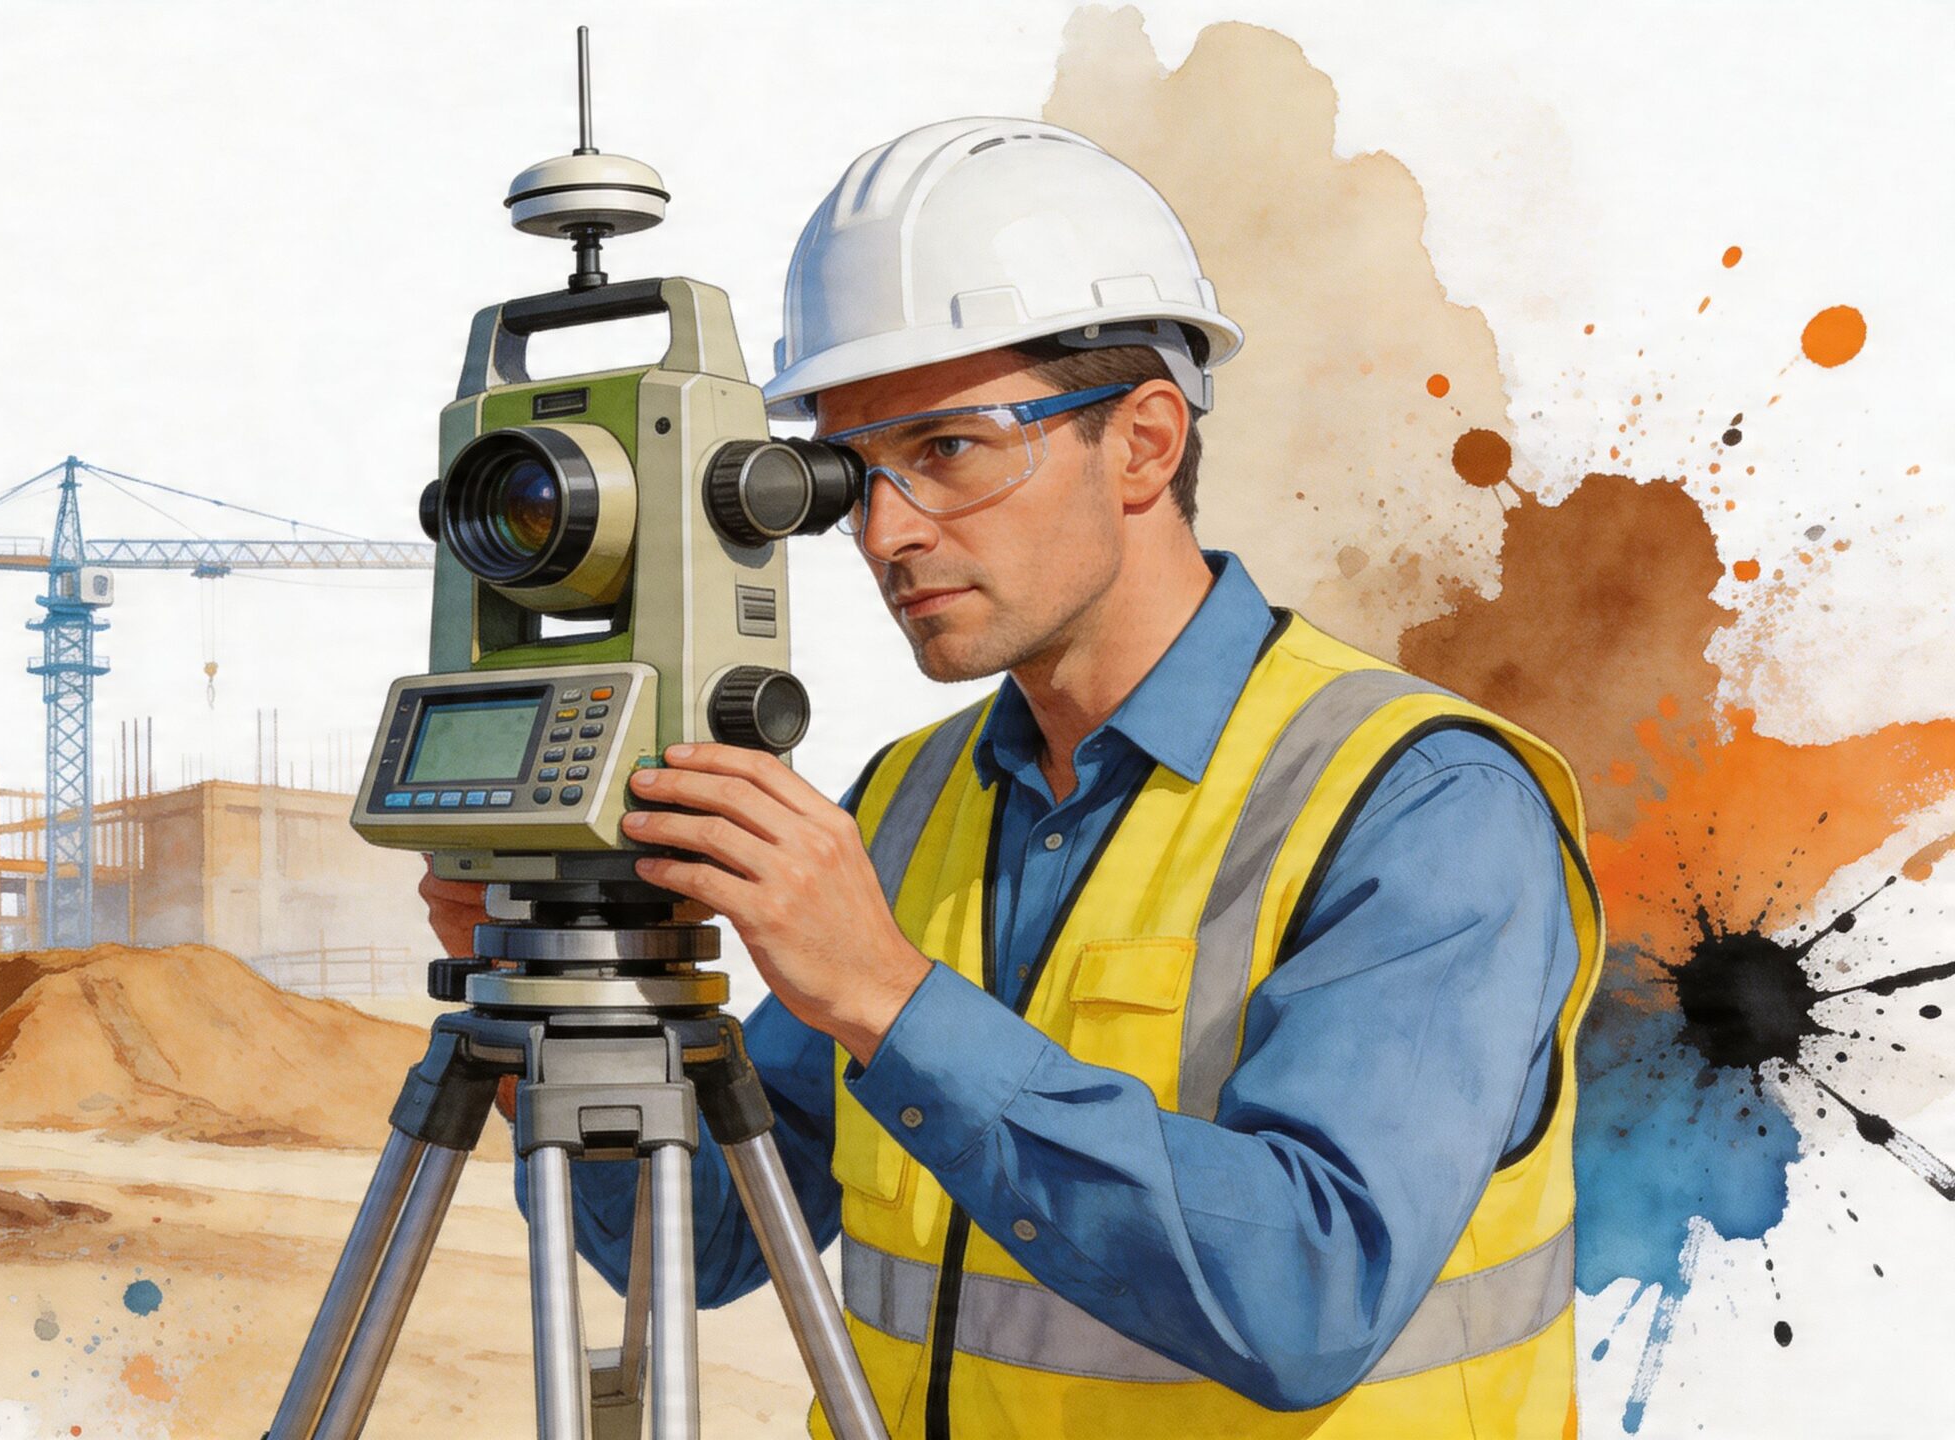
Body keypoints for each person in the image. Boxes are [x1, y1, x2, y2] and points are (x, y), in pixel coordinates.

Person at [420, 118, 1601, 1439]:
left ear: (1148, 441)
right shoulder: (906, 804)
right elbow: (692, 1248)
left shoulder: (1421, 805)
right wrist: (552, 1022)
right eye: (850, 470)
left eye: (951, 451)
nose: (884, 529)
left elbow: (1311, 1295)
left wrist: (887, 996)